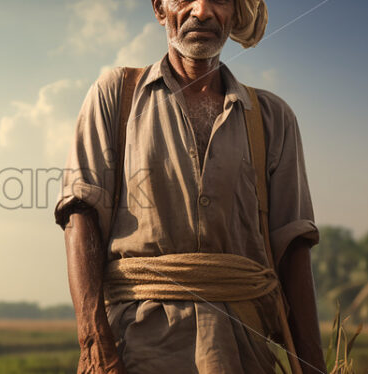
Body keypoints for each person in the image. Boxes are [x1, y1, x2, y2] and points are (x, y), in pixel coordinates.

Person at [54, 0, 327, 373]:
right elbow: (80, 214)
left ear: (233, 12)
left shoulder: (271, 117)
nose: (202, 11)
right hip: (137, 346)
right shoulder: (116, 94)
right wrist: (93, 345)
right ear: (160, 8)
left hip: (244, 351)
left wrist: (313, 365)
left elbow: (292, 245)